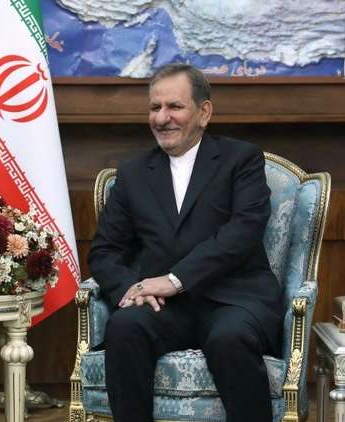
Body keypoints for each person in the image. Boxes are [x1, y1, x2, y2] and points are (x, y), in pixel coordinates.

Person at [88, 63, 283, 421]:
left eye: (174, 107)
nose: (162, 118)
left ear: (204, 112)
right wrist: (132, 290)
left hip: (232, 299)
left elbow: (243, 232)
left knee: (230, 338)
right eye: (155, 107)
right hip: (163, 307)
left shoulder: (241, 160)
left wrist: (175, 279)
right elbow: (105, 251)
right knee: (125, 327)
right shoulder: (133, 173)